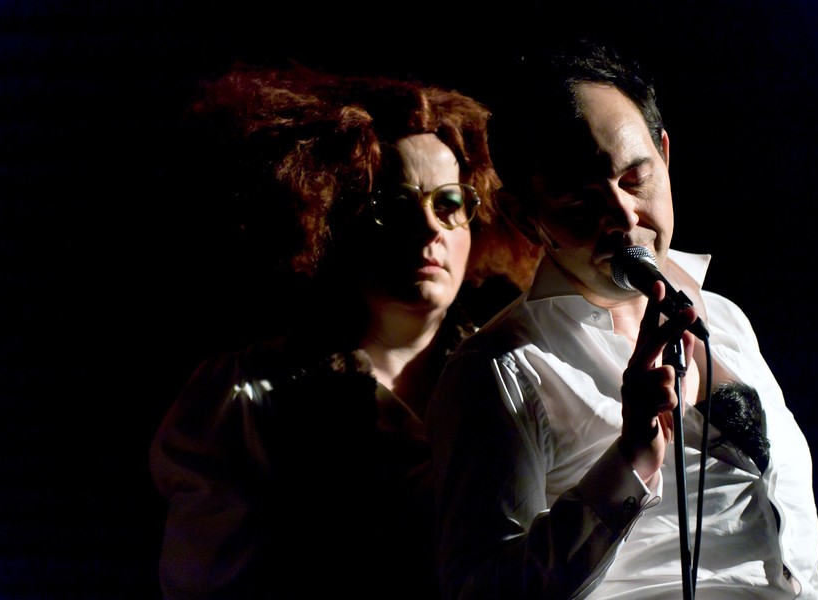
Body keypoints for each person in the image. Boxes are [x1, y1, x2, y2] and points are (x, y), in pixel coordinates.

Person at [428, 39, 818, 599]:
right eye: (579, 202)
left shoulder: (727, 320)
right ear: (525, 217)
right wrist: (629, 460)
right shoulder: (498, 370)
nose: (622, 215)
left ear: (664, 153)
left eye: (636, 178)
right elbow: (479, 590)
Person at [149, 61, 539, 600]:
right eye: (395, 205)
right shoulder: (244, 401)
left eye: (449, 203)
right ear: (333, 218)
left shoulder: (520, 373)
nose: (430, 226)